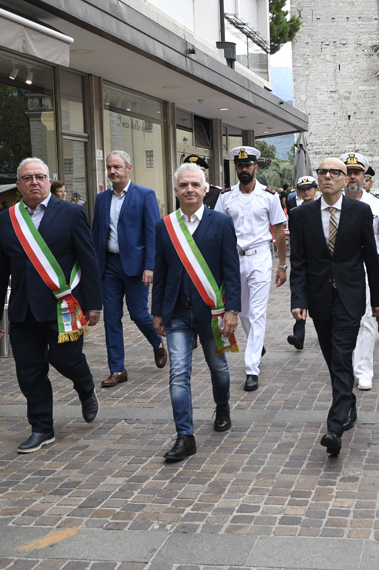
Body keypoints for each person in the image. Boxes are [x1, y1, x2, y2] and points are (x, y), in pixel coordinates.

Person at [0, 158, 102, 453]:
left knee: (66, 359)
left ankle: (85, 386)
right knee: (29, 371)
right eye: (27, 178)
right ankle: (42, 427)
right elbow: (0, 270)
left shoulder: (72, 213)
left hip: (63, 306)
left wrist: (94, 304)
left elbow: (88, 262)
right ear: (19, 185)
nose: (34, 182)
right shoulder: (6, 219)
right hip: (23, 310)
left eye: (40, 176)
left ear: (49, 181)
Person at [289, 157, 379, 457]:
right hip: (319, 298)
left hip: (350, 296)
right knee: (332, 359)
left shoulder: (360, 211)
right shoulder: (301, 215)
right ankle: (349, 404)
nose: (327, 176)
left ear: (346, 180)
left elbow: (371, 257)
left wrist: (378, 298)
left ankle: (334, 426)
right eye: (323, 172)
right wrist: (298, 300)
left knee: (342, 357)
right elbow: (299, 262)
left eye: (335, 172)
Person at [151, 162, 241, 462]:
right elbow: (161, 271)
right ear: (176, 190)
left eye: (195, 184)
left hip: (213, 313)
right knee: (178, 374)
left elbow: (231, 269)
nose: (189, 189)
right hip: (177, 313)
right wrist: (157, 311)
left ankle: (222, 404)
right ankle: (185, 436)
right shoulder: (165, 225)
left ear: (206, 189)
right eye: (183, 185)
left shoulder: (222, 222)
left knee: (219, 369)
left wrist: (232, 310)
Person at [214, 145, 288, 391]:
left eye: (248, 165)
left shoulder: (269, 196)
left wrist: (282, 264)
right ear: (235, 167)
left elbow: (278, 229)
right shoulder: (225, 197)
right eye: (239, 165)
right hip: (233, 260)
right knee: (242, 312)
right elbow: (217, 231)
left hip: (259, 258)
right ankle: (257, 344)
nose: (243, 169)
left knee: (256, 313)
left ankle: (251, 368)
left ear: (256, 166)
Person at [92, 151, 165, 388]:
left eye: (117, 167)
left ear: (128, 168)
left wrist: (150, 266)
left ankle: (156, 342)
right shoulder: (101, 199)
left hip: (135, 266)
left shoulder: (144, 195)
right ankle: (117, 369)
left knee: (138, 314)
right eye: (109, 168)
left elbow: (152, 233)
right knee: (111, 318)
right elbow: (96, 234)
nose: (112, 172)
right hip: (109, 266)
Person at [342, 152, 379, 390]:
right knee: (341, 319)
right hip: (338, 267)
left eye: (357, 172)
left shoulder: (377, 204)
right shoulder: (330, 202)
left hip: (367, 266)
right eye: (348, 172)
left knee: (366, 319)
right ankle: (343, 366)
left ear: (364, 177)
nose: (352, 177)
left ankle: (363, 370)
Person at [286, 176, 318, 350]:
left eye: (310, 188)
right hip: (303, 259)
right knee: (299, 295)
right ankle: (299, 334)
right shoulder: (295, 213)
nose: (307, 192)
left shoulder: (324, 209)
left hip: (319, 261)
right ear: (298, 191)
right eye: (303, 189)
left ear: (315, 190)